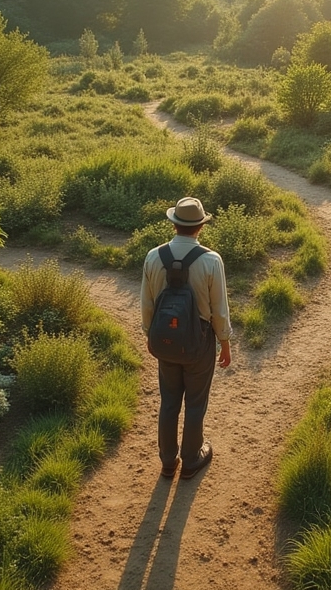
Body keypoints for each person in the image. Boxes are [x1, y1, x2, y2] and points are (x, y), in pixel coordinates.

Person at [141, 196, 232, 480]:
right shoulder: (211, 260)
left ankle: (168, 461)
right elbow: (219, 309)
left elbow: (147, 304)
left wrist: (150, 335)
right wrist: (224, 342)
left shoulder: (154, 256)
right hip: (199, 342)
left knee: (169, 402)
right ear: (201, 227)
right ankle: (191, 459)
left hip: (164, 341)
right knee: (195, 402)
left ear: (174, 224)